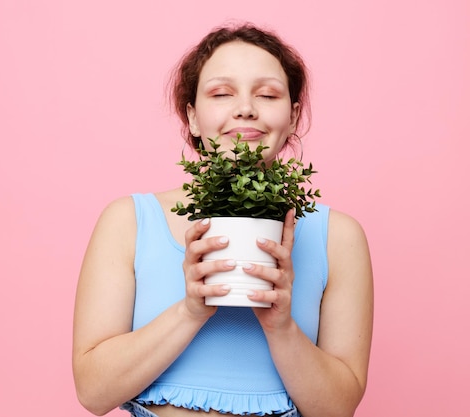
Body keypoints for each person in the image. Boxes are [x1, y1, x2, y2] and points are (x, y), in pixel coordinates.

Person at [72, 22, 373, 417]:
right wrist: (191, 309)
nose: (245, 107)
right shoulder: (128, 221)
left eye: (267, 94)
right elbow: (93, 392)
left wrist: (280, 325)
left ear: (294, 116)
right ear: (193, 117)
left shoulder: (338, 237)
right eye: (221, 93)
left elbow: (338, 409)